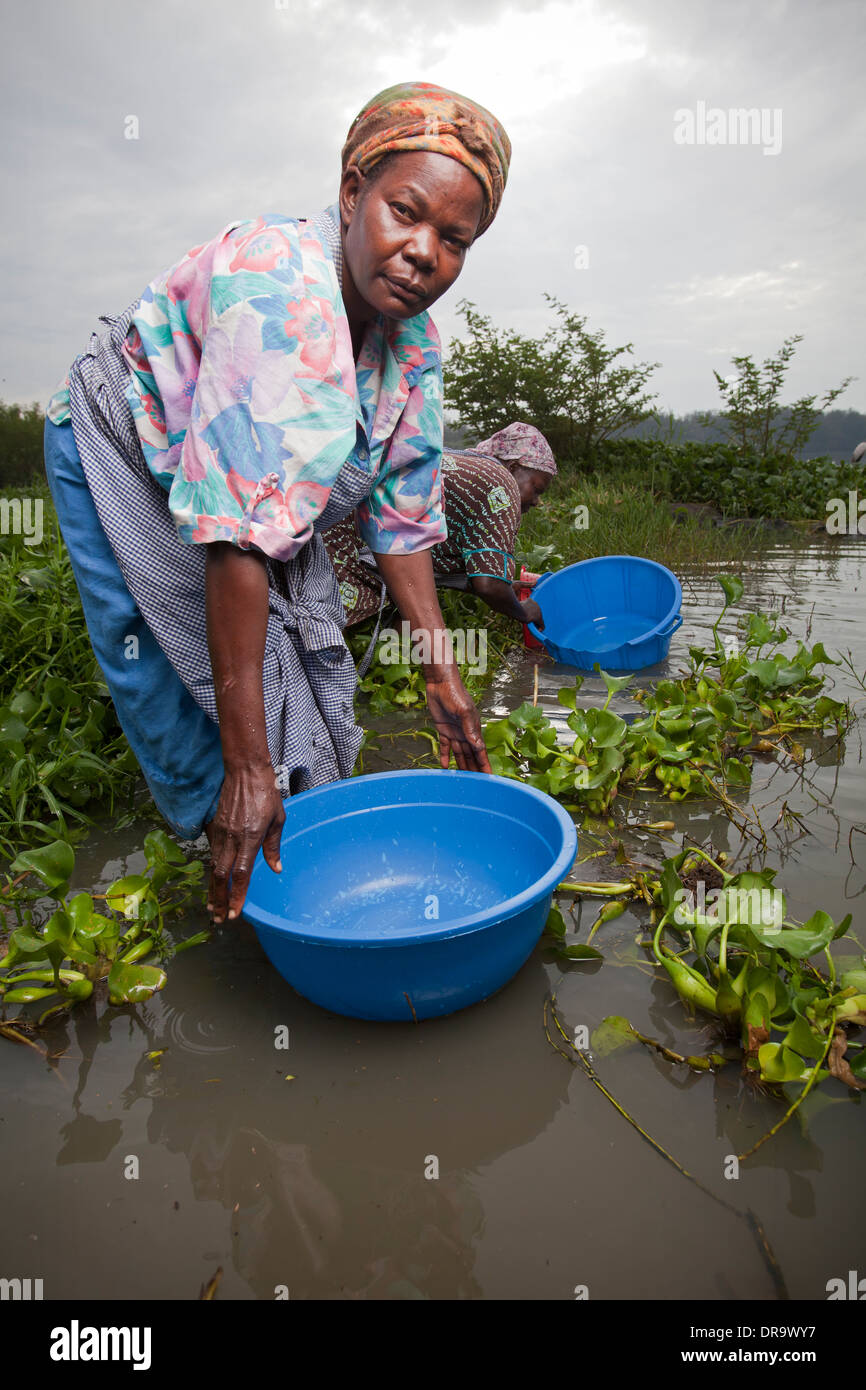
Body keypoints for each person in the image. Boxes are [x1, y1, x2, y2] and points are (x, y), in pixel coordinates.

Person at [42, 81, 511, 924]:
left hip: (242, 496)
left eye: (454, 239)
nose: (422, 252)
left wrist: (442, 671)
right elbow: (238, 546)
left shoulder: (415, 349)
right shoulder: (281, 290)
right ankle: (214, 853)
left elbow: (401, 524)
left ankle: (290, 834)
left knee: (282, 670)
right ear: (350, 193)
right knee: (158, 661)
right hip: (119, 438)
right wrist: (246, 768)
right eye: (403, 212)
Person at [325, 422, 556, 636]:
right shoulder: (501, 482)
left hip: (334, 521)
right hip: (351, 545)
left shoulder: (470, 468)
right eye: (537, 489)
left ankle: (399, 665)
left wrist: (505, 588)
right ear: (513, 467)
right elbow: (488, 585)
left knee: (331, 619)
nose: (537, 501)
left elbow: (443, 566)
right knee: (328, 636)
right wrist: (524, 612)